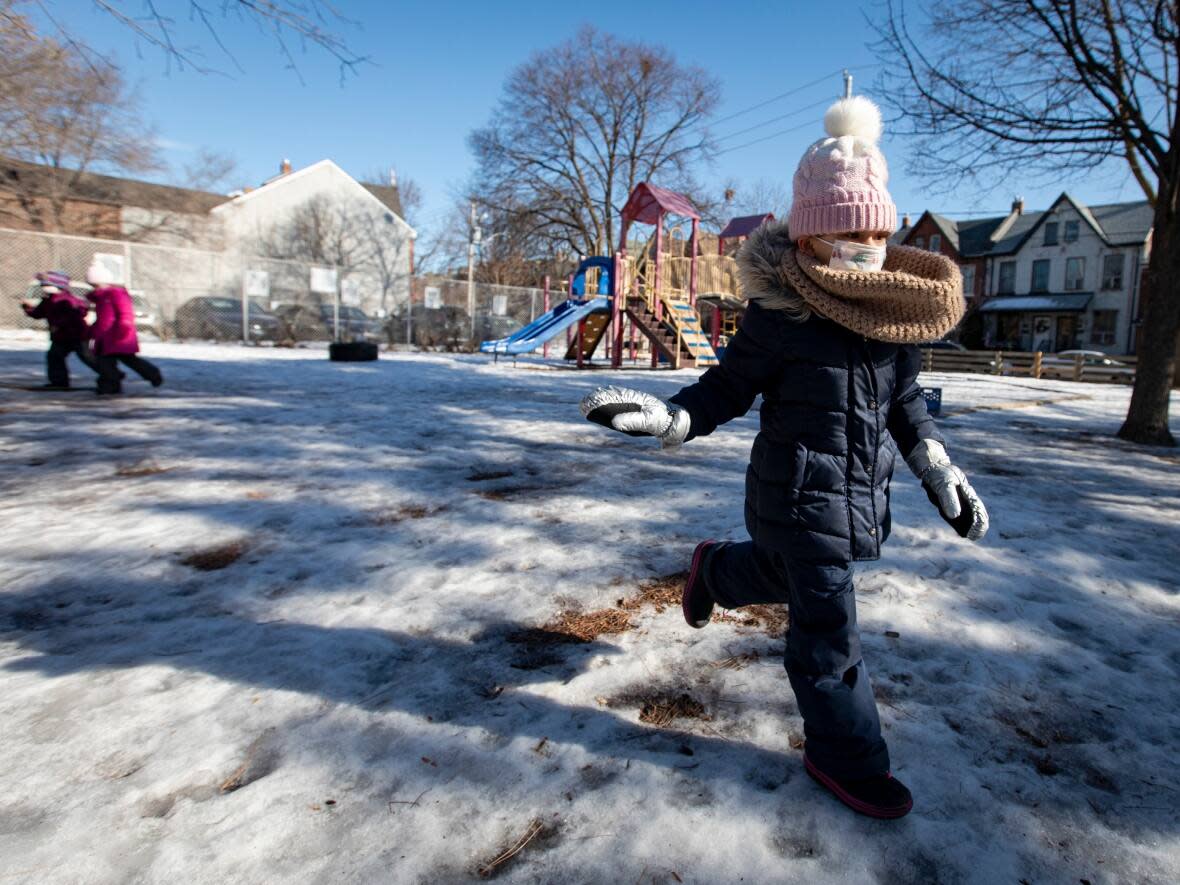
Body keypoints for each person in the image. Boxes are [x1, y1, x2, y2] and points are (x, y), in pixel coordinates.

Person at [579, 96, 989, 820]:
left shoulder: (892, 321)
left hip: (856, 497)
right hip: (798, 494)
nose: (862, 246)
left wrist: (936, 464)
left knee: (785, 573)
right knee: (828, 630)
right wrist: (675, 418)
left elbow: (906, 402)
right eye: (843, 233)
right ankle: (846, 756)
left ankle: (714, 567)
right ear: (805, 241)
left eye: (873, 231)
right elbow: (728, 386)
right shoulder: (782, 317)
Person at [84, 257, 163, 395]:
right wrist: (91, 331)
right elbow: (102, 319)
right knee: (105, 363)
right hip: (105, 337)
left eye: (97, 285)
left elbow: (125, 313)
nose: (95, 288)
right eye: (93, 285)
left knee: (129, 360)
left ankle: (152, 374)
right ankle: (109, 385)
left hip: (119, 336)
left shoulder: (116, 294)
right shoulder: (101, 298)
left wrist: (124, 328)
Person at [20, 271, 98, 389]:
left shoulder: (68, 299)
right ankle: (58, 382)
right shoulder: (48, 300)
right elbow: (38, 313)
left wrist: (60, 323)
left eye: (47, 285)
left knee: (87, 357)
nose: (43, 287)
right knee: (54, 357)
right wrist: (27, 308)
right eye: (43, 285)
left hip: (77, 335)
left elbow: (79, 312)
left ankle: (109, 375)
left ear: (58, 285)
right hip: (60, 337)